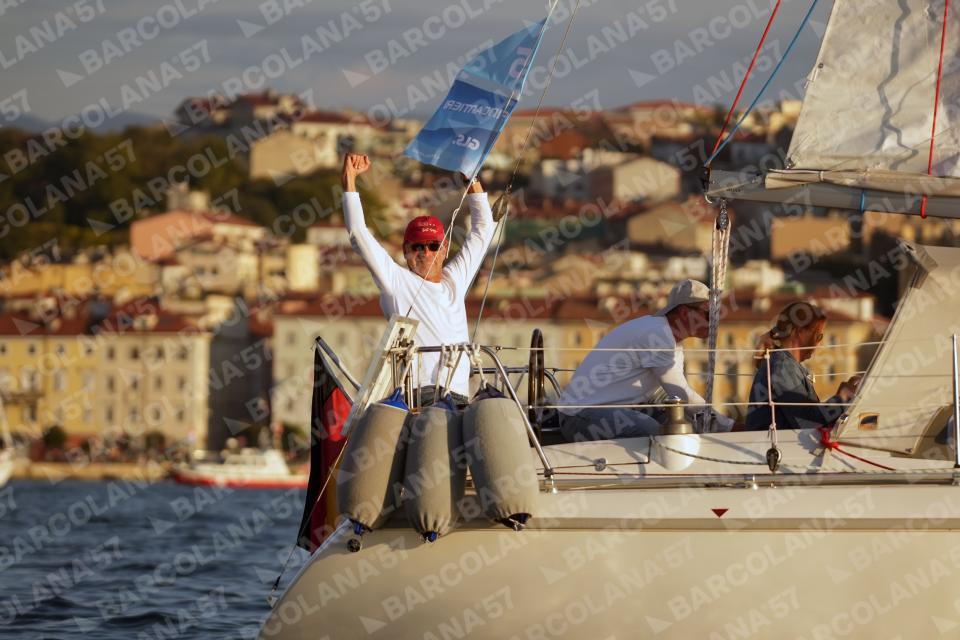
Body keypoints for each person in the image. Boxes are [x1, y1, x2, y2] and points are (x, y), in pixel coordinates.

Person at [341, 153, 494, 403]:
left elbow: (483, 230)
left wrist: (472, 179)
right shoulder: (395, 282)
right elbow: (359, 234)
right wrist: (349, 180)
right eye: (417, 247)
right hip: (421, 397)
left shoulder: (455, 279)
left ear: (444, 249)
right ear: (405, 251)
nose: (425, 253)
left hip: (460, 397)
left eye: (433, 246)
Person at [557, 279, 736, 442]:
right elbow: (681, 393)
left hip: (608, 410)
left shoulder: (669, 338)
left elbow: (673, 397)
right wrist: (728, 427)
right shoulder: (658, 335)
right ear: (684, 312)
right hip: (579, 416)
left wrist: (714, 424)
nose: (715, 321)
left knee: (681, 422)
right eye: (709, 314)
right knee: (656, 432)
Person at [746, 301, 860, 431]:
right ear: (800, 332)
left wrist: (841, 398)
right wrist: (842, 398)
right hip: (776, 442)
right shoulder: (783, 366)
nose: (820, 344)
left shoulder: (784, 363)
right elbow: (807, 421)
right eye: (818, 336)